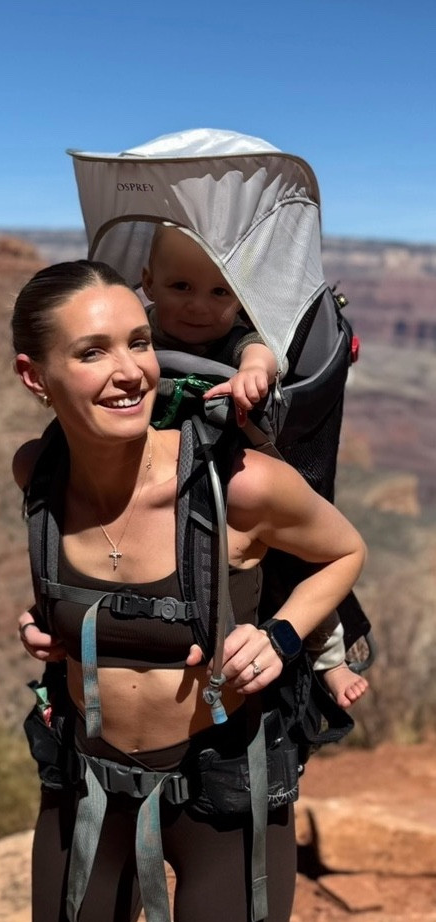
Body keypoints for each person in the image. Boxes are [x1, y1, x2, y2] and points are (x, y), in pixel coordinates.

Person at [12, 260, 367, 922]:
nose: (129, 370)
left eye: (138, 342)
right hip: (85, 789)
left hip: (225, 794)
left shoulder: (237, 486)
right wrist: (47, 625)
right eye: (92, 351)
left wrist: (280, 635)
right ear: (34, 376)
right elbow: (67, 593)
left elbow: (343, 550)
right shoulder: (38, 476)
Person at [140, 223, 368, 709]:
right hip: (159, 472)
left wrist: (253, 374)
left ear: (240, 299)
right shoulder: (140, 332)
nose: (200, 306)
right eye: (181, 286)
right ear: (148, 283)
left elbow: (260, 354)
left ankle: (330, 659)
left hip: (235, 469)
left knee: (296, 566)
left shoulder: (237, 339)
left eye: (219, 292)